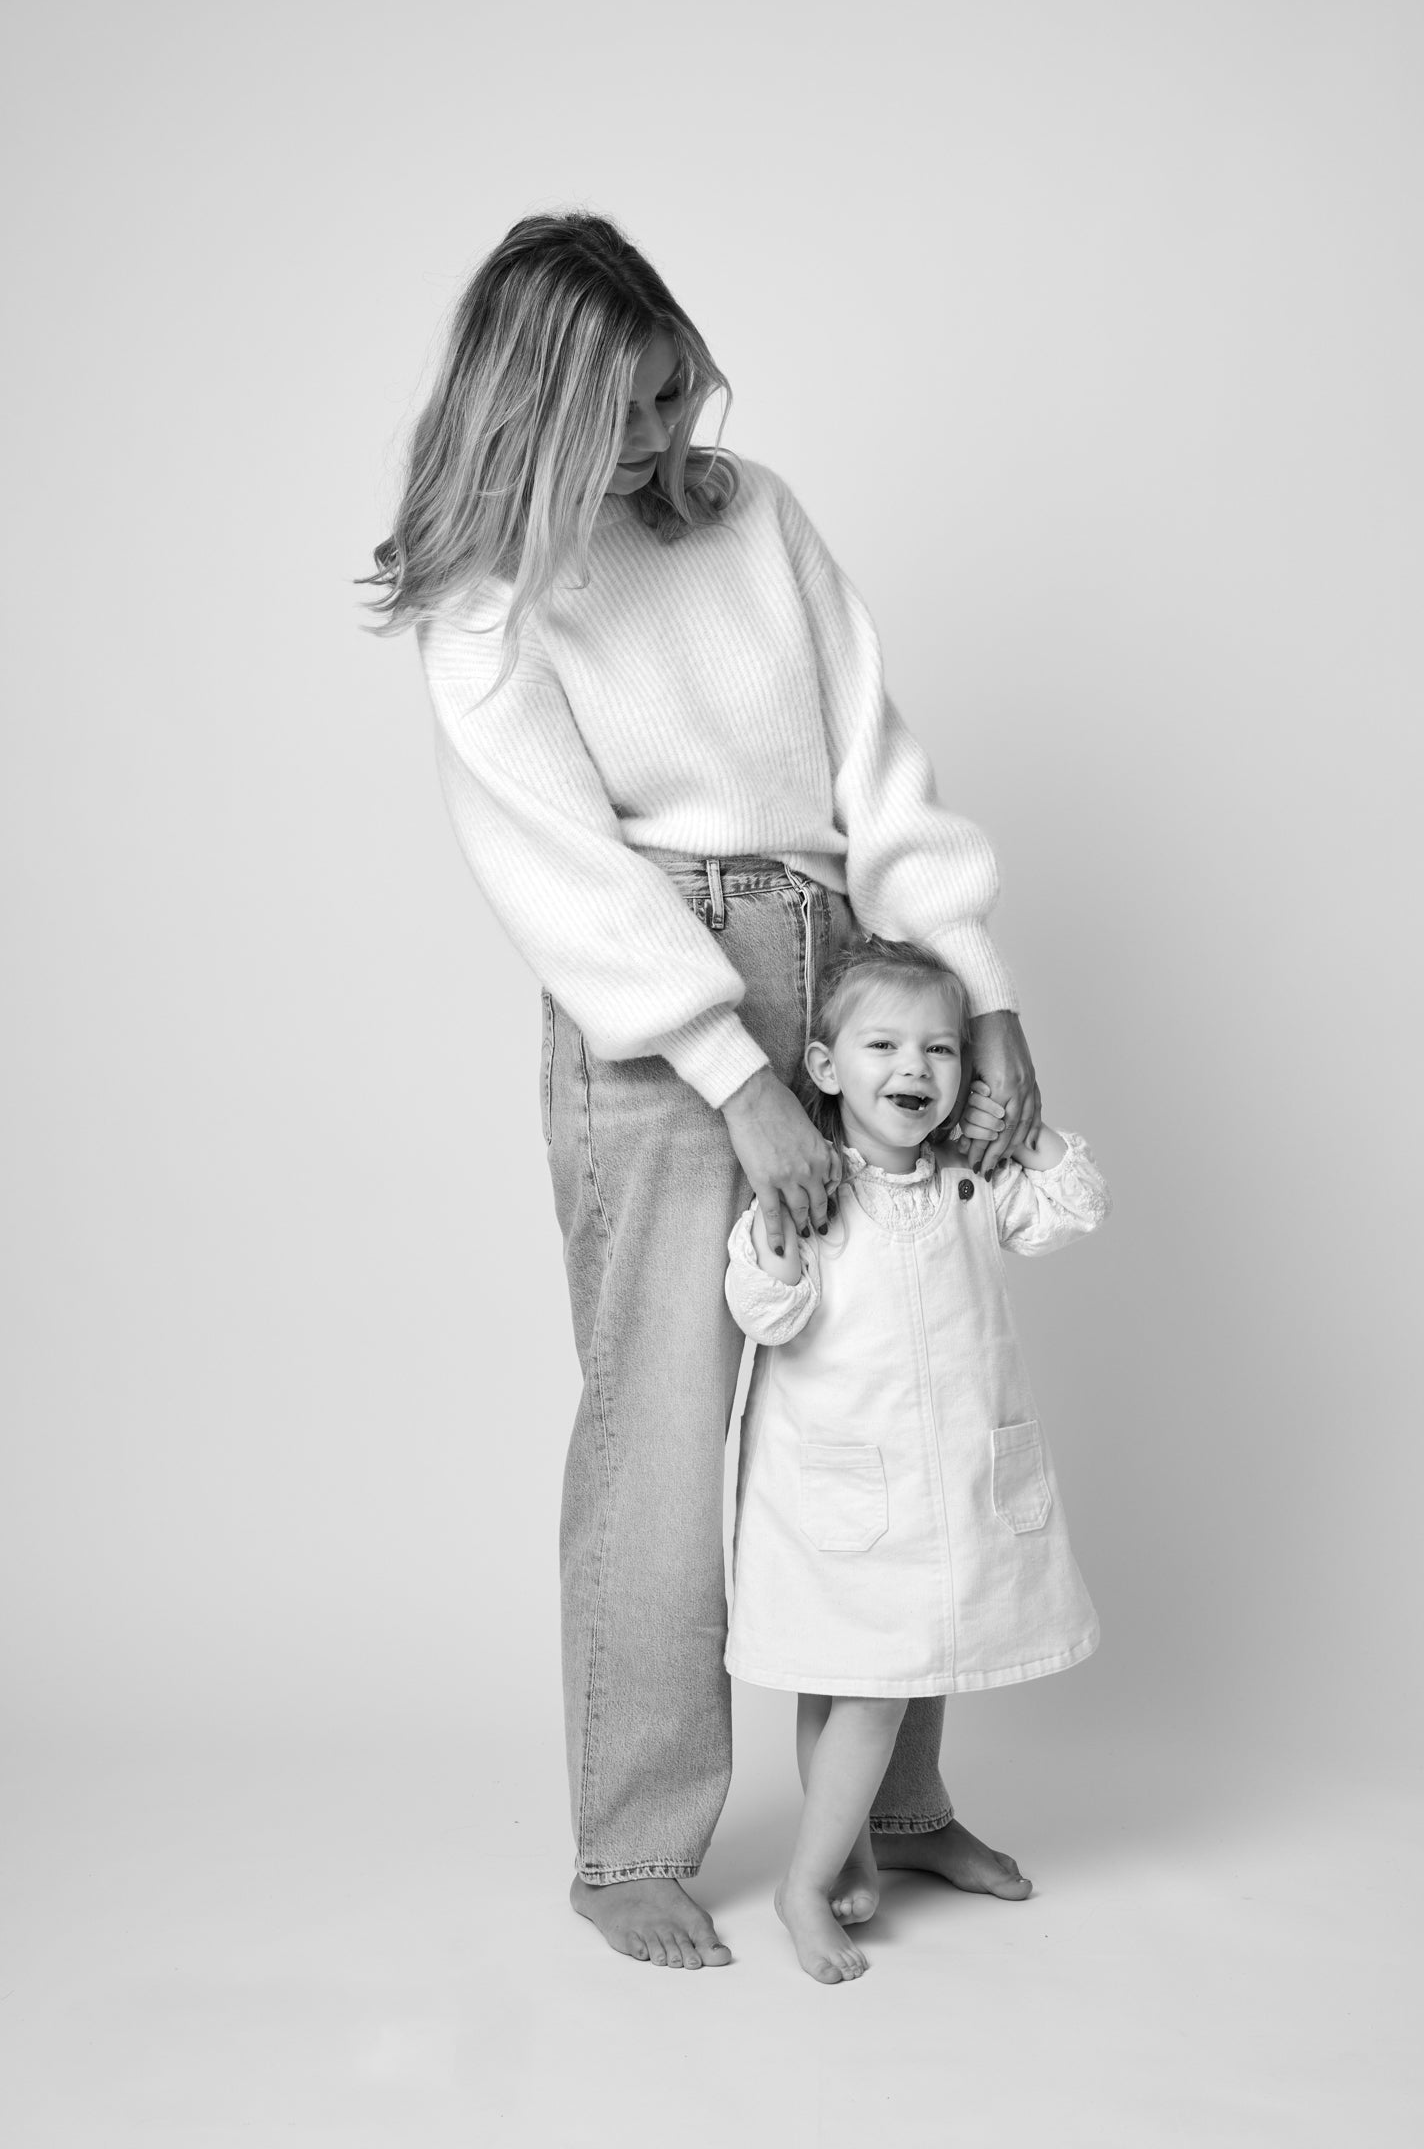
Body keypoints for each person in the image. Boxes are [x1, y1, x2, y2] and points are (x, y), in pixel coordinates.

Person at [367, 211, 1045, 1970]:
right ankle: (629, 1851)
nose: (665, 435)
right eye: (623, 412)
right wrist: (736, 1070)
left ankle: (894, 1805)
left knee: (893, 1392)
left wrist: (976, 990)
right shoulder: (484, 606)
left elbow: (878, 765)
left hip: (854, 968)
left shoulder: (750, 514)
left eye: (677, 391)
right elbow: (563, 877)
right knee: (663, 1432)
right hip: (660, 1012)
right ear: (530, 412)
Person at [724, 936, 1110, 1980]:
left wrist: (1016, 1129)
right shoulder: (812, 1194)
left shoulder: (970, 1184)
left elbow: (1075, 1206)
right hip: (842, 1494)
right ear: (825, 1066)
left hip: (949, 1484)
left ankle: (859, 1847)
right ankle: (807, 1882)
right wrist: (776, 1239)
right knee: (859, 1688)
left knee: (852, 1683)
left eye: (940, 1049)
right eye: (884, 1045)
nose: (915, 1068)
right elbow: (763, 1311)